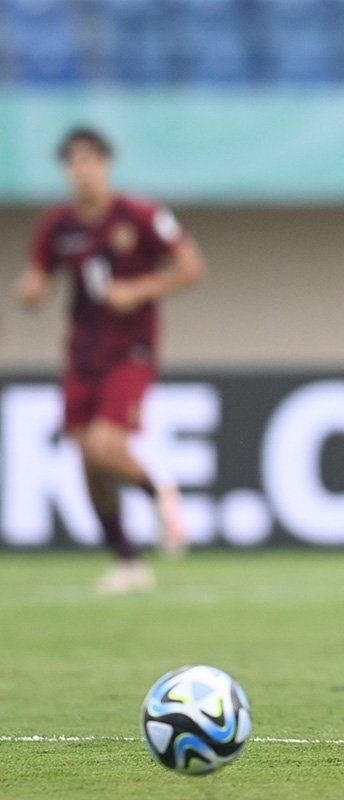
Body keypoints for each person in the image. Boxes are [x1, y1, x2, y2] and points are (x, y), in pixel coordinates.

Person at [14, 128, 203, 595]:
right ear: (66, 170)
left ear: (106, 165)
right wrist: (30, 292)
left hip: (130, 351)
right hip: (81, 353)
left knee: (104, 444)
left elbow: (190, 265)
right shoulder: (58, 225)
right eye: (74, 163)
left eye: (91, 161)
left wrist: (138, 290)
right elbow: (36, 280)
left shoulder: (139, 215)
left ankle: (159, 493)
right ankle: (127, 560)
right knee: (88, 460)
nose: (83, 170)